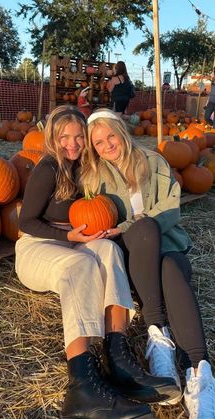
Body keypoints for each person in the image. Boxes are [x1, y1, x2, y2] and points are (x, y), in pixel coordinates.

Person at [15, 105, 179, 419]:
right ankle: (82, 388)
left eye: (79, 137)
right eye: (65, 137)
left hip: (74, 244)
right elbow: (25, 223)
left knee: (109, 250)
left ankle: (118, 358)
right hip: (38, 247)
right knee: (81, 266)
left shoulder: (90, 170)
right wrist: (69, 238)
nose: (73, 144)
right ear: (53, 137)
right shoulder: (49, 167)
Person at [80, 108, 215, 418]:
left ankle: (199, 372)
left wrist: (133, 224)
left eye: (110, 136)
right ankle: (156, 327)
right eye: (98, 142)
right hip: (135, 256)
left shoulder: (153, 161)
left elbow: (171, 209)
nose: (107, 145)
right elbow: (91, 216)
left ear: (121, 132)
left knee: (169, 266)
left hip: (169, 249)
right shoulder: (93, 176)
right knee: (143, 229)